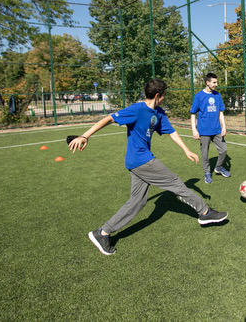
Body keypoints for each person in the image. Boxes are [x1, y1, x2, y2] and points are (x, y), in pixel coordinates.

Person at [69, 78, 228, 255]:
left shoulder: (158, 113)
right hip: (142, 160)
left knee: (137, 201)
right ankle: (205, 212)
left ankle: (102, 233)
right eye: (164, 96)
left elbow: (172, 132)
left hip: (136, 163)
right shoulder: (137, 109)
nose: (165, 98)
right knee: (175, 182)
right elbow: (109, 118)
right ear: (158, 95)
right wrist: (85, 136)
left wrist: (186, 150)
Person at [190, 72, 230, 184]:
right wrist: (194, 129)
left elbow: (220, 112)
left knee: (223, 150)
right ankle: (207, 172)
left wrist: (224, 126)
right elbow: (193, 113)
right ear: (207, 83)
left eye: (216, 82)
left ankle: (218, 167)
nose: (216, 84)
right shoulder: (199, 96)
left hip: (217, 129)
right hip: (204, 131)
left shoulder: (217, 95)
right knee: (205, 154)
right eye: (214, 82)